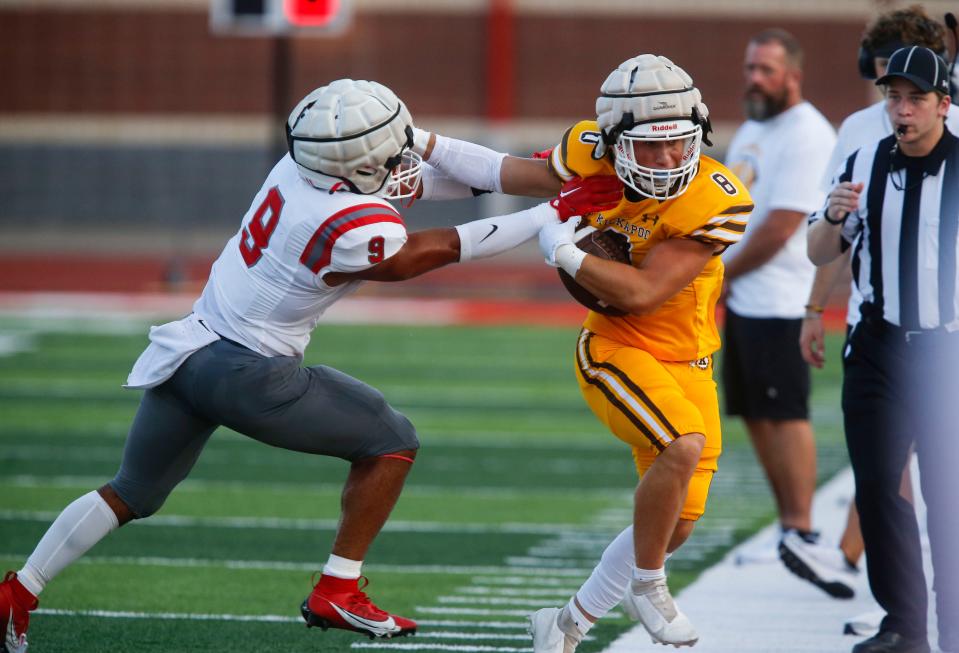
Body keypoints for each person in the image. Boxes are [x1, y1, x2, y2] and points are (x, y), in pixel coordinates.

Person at [0, 78, 621, 652]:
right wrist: (553, 211)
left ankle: (18, 590)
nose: (408, 154)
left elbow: (447, 171)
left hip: (189, 349)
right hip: (248, 371)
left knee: (130, 492)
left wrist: (549, 178)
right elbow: (424, 253)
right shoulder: (348, 222)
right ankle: (338, 590)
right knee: (390, 439)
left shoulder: (306, 165)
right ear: (360, 165)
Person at [416, 53, 752, 651]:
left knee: (676, 521)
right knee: (681, 444)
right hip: (616, 344)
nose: (671, 159)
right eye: (652, 147)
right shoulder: (587, 151)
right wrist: (422, 141)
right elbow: (503, 172)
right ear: (617, 141)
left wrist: (566, 253)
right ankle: (648, 587)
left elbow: (647, 292)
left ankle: (567, 625)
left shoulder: (715, 197)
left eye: (681, 143)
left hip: (690, 355)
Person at [797, 6, 959, 636]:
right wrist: (833, 221)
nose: (903, 109)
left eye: (916, 98)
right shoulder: (864, 161)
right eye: (895, 96)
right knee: (878, 488)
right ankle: (905, 625)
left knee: (946, 494)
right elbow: (821, 251)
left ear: (943, 103)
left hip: (946, 351)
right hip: (878, 345)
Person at [718, 28, 855, 597]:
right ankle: (787, 532)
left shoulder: (807, 134)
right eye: (751, 67)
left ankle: (803, 531)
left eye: (766, 70)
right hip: (746, 300)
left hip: (780, 297)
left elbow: (779, 228)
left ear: (792, 75)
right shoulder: (753, 128)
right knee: (756, 414)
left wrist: (715, 275)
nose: (754, 79)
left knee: (787, 413)